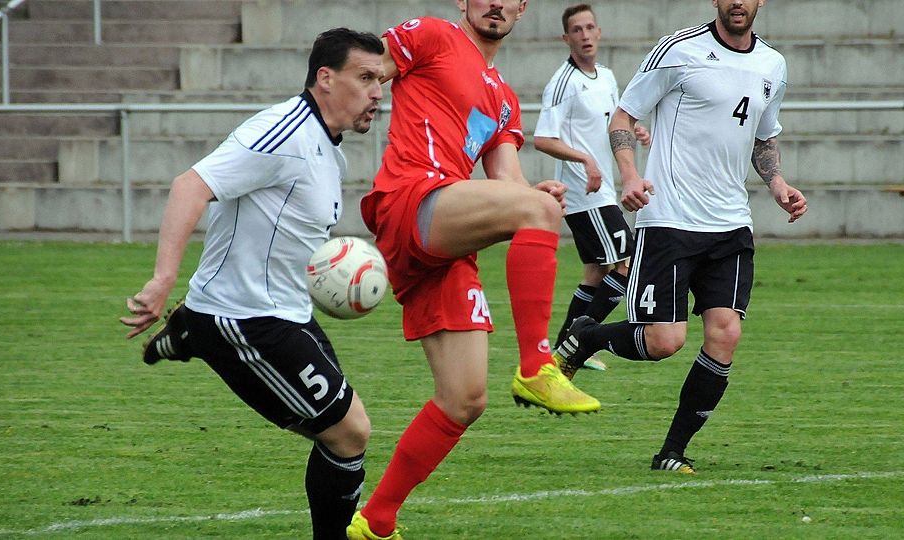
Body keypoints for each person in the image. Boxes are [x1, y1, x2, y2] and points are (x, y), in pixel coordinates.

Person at [119, 28, 385, 539]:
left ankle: (189, 331)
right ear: (325, 79)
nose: (378, 92)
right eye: (366, 77)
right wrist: (161, 279)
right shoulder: (283, 133)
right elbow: (190, 186)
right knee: (350, 432)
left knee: (340, 433)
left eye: (382, 80)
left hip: (289, 314)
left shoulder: (331, 151)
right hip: (244, 319)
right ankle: (195, 328)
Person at [347, 1, 600, 538]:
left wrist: (532, 194)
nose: (495, 3)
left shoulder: (504, 99)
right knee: (539, 212)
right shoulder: (434, 36)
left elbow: (506, 178)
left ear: (522, 9)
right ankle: (537, 367)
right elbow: (371, 68)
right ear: (465, 0)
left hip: (446, 233)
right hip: (411, 198)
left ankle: (375, 522)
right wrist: (348, 107)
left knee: (464, 399)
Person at [554, 0, 807, 474]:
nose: (737, 2)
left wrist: (777, 184)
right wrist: (629, 176)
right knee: (664, 340)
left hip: (731, 224)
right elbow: (622, 119)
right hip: (669, 219)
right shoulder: (678, 50)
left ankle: (672, 451)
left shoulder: (773, 64)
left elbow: (763, 136)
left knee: (725, 334)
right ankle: (586, 336)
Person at [533, 3, 650, 354]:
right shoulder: (562, 83)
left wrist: (635, 128)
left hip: (604, 191)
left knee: (596, 274)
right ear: (565, 38)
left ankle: (559, 352)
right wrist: (585, 159)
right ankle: (581, 343)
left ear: (598, 32)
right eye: (577, 30)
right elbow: (542, 139)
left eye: (589, 28)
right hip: (585, 195)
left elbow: (613, 121)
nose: (584, 35)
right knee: (627, 265)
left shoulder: (607, 76)